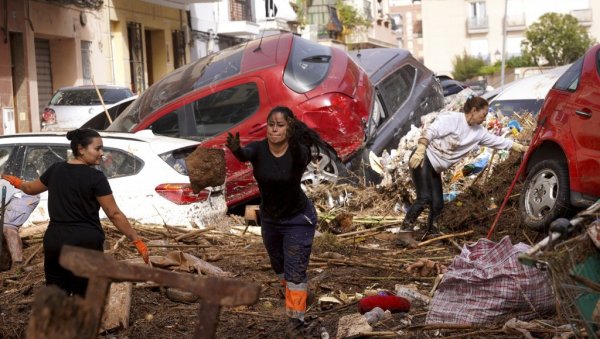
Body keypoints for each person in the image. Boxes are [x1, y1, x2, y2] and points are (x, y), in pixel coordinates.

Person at [226, 106, 335, 338]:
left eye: (280, 125)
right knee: (280, 266)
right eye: (271, 125)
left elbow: (298, 152)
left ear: (289, 128)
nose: (274, 130)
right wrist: (236, 149)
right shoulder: (258, 149)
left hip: (298, 219)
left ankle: (296, 322)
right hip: (270, 219)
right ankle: (300, 295)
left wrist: (294, 137)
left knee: (294, 270)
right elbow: (244, 155)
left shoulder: (300, 152)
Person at [2, 128, 149, 296]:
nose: (101, 153)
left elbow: (29, 188)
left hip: (55, 241)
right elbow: (113, 213)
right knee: (84, 295)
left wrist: (16, 182)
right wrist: (136, 239)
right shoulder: (96, 177)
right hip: (85, 243)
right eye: (97, 148)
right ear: (81, 149)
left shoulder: (55, 170)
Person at [400, 96, 527, 241]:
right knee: (424, 198)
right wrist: (422, 147)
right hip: (423, 158)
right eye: (483, 114)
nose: (484, 119)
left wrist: (520, 147)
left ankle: (433, 231)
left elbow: (498, 141)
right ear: (473, 110)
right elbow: (432, 130)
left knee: (438, 203)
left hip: (435, 168)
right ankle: (404, 232)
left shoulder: (479, 132)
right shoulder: (453, 119)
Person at [1, 184, 40, 268]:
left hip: (25, 194)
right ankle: (6, 262)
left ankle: (17, 263)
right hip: (15, 194)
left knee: (9, 227)